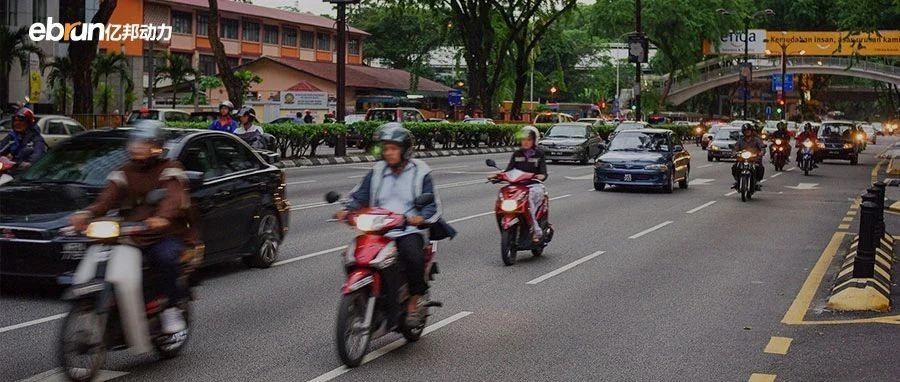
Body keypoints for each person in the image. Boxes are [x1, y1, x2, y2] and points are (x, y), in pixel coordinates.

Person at [69, 121, 192, 334]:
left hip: (163, 234)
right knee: (101, 254)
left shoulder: (171, 168)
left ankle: (170, 309)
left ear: (157, 146)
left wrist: (162, 217)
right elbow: (106, 199)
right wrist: (87, 214)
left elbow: (173, 197)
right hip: (132, 232)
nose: (137, 147)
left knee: (165, 258)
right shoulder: (123, 171)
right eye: (135, 142)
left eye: (144, 143)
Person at [336, 123, 455, 327]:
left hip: (408, 229)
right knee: (352, 256)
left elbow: (432, 205)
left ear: (405, 149)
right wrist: (348, 209)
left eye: (393, 148)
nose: (389, 153)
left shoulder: (420, 171)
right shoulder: (377, 171)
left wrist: (420, 217)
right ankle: (366, 296)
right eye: (386, 148)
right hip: (377, 230)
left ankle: (412, 303)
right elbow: (360, 196)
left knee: (413, 257)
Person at [490, 125, 549, 242]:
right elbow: (509, 170)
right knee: (502, 196)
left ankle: (535, 230)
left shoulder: (539, 154)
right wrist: (496, 175)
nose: (526, 142)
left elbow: (543, 173)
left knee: (529, 201)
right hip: (518, 186)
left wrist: (540, 176)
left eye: (529, 140)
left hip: (534, 185)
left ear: (534, 140)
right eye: (523, 139)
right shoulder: (516, 154)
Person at [732, 123, 766, 190]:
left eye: (748, 130)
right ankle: (737, 180)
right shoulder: (740, 140)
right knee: (735, 167)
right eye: (745, 131)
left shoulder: (756, 140)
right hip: (742, 159)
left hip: (754, 159)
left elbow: (762, 147)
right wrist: (734, 153)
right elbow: (735, 148)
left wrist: (761, 152)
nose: (747, 132)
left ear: (751, 131)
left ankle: (757, 181)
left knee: (760, 168)